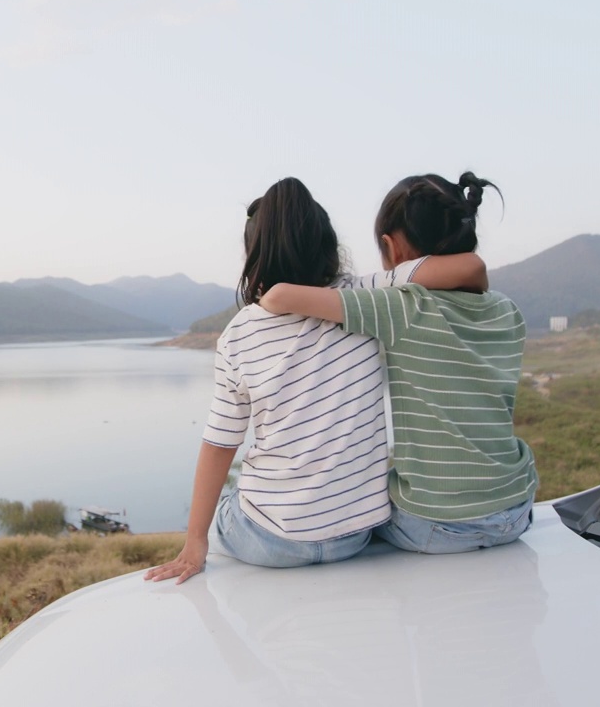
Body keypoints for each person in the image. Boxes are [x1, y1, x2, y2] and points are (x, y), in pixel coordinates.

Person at [145, 177, 487, 584]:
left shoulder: (239, 335)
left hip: (270, 541)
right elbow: (471, 267)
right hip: (354, 535)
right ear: (328, 244)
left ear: (253, 255)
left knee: (228, 510)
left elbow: (220, 442)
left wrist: (195, 542)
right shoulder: (367, 297)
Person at [258, 172, 537, 555]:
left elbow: (283, 296)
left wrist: (266, 301)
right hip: (516, 507)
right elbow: (472, 270)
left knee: (355, 512)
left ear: (392, 247)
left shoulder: (402, 307)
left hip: (437, 525)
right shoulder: (508, 311)